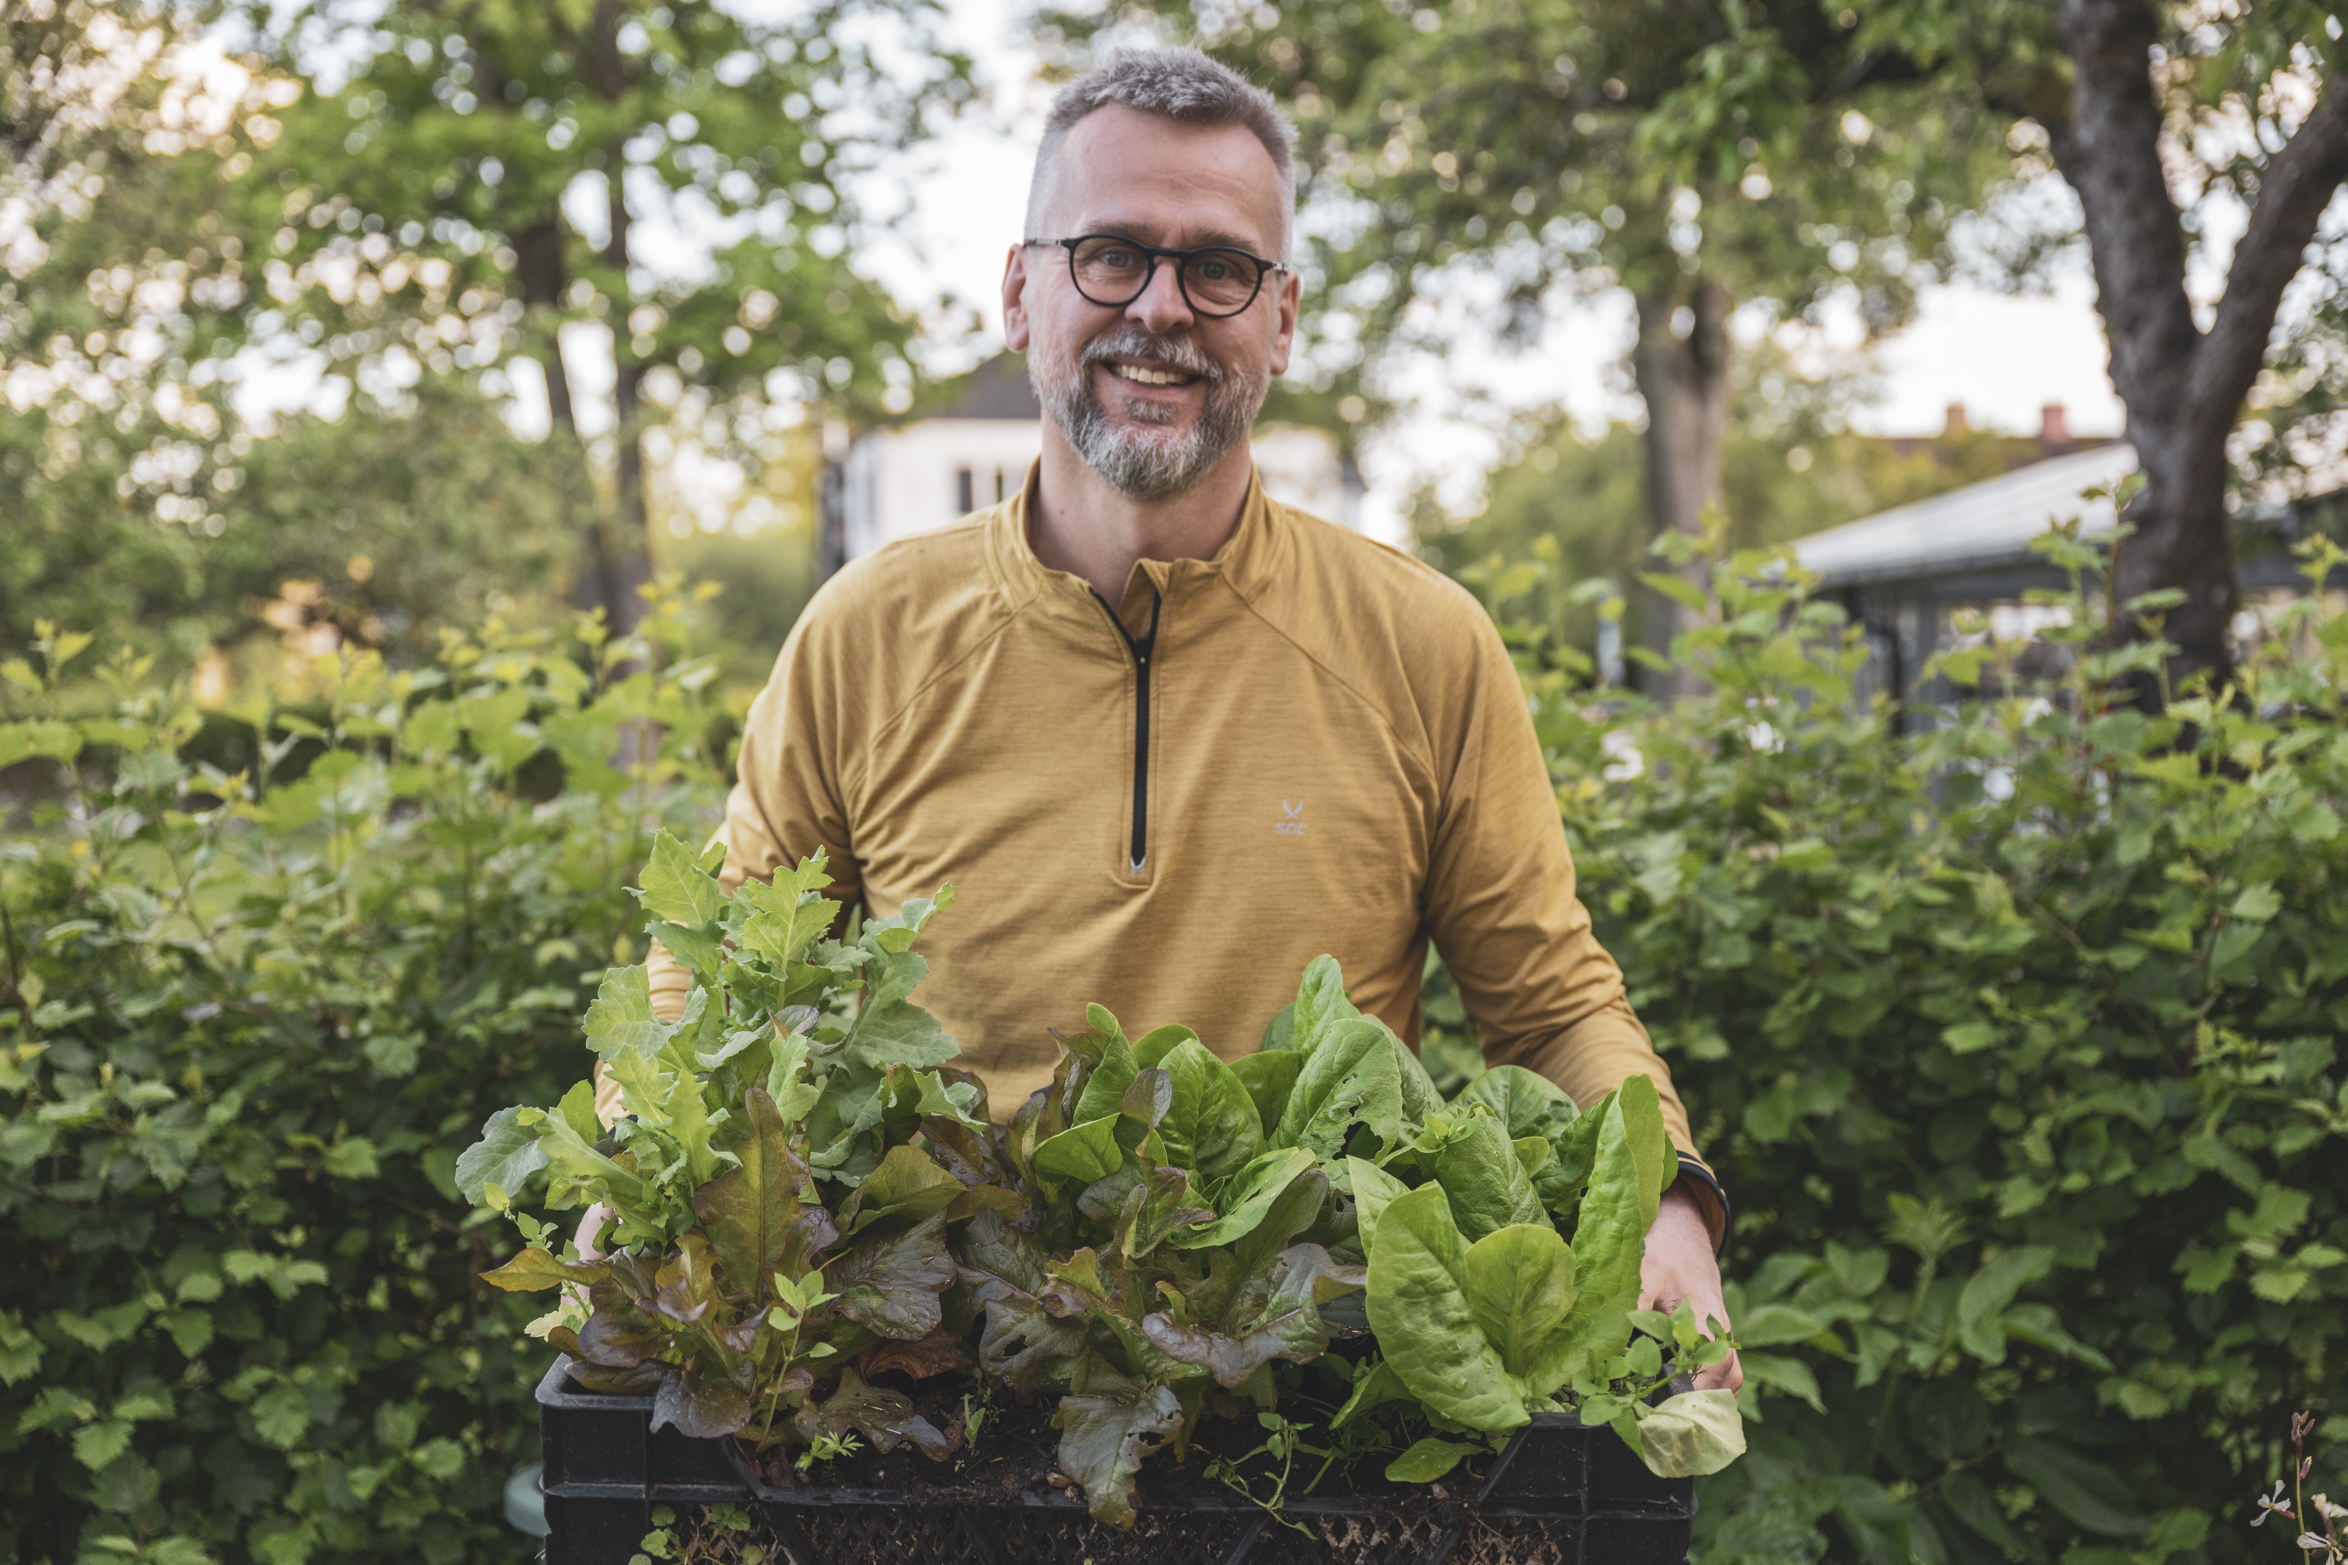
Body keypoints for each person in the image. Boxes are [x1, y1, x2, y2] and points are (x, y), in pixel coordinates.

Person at [625, 45, 1739, 1390]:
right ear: (1021, 288)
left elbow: (1551, 1004)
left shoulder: (1421, 643)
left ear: (1280, 320)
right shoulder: (867, 636)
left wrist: (1667, 1197)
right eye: (1109, 255)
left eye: (1217, 268)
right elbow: (722, 985)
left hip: (1317, 1402)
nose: (1160, 308)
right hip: (938, 1389)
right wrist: (649, 1178)